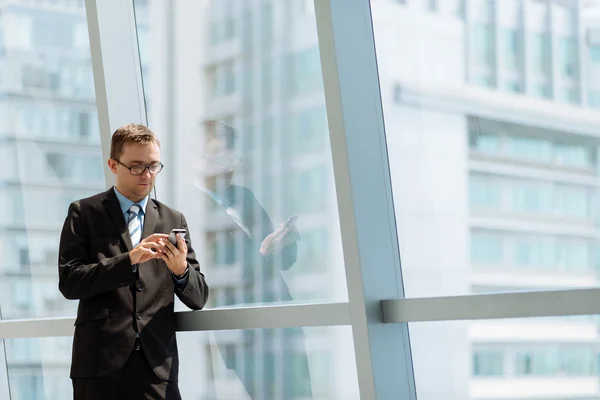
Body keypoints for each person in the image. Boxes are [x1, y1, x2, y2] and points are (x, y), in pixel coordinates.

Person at [58, 123, 209, 400]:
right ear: (113, 165)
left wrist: (181, 271)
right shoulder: (84, 213)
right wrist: (128, 260)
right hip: (99, 366)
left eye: (153, 166)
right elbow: (69, 282)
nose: (147, 175)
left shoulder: (173, 220)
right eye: (137, 166)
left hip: (158, 369)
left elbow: (199, 297)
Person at [197, 120, 312, 399]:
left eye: (232, 158)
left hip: (281, 325)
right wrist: (262, 254)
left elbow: (281, 260)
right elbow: (213, 276)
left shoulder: (243, 197)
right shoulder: (188, 209)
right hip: (245, 338)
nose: (229, 167)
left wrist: (286, 242)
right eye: (220, 158)